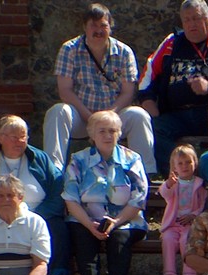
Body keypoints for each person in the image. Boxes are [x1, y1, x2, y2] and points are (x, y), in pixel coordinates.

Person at [139, 0, 208, 176]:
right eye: (186, 20)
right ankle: (176, 178)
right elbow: (147, 77)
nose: (191, 24)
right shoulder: (171, 42)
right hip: (179, 114)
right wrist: (148, 101)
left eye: (196, 18)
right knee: (156, 127)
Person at [43, 3, 156, 175]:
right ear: (85, 27)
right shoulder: (69, 49)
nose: (98, 30)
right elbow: (65, 90)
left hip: (114, 117)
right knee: (58, 112)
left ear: (110, 27)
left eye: (103, 25)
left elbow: (128, 92)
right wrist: (91, 119)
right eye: (93, 25)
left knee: (139, 115)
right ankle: (53, 173)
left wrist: (108, 117)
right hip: (82, 117)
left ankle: (145, 173)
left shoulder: (124, 52)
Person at [62, 110, 148, 275]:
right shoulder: (79, 160)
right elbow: (70, 198)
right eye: (102, 131)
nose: (108, 135)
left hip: (125, 219)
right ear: (92, 134)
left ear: (119, 133)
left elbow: (139, 197)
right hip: (85, 218)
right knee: (81, 234)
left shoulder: (132, 159)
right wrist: (89, 224)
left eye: (112, 131)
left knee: (120, 236)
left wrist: (115, 222)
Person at [0, 115, 73, 275]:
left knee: (58, 228)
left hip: (40, 214)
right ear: (1, 137)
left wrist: (36, 217)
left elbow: (58, 189)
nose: (20, 141)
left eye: (23, 136)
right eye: (15, 137)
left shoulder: (40, 158)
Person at [158, 144, 206, 275]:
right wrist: (168, 184)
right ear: (174, 167)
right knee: (168, 239)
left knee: (187, 241)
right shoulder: (173, 183)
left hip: (190, 224)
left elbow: (203, 205)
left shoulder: (199, 183)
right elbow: (164, 194)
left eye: (188, 162)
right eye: (180, 163)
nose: (184, 166)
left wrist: (194, 215)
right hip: (173, 224)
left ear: (195, 163)